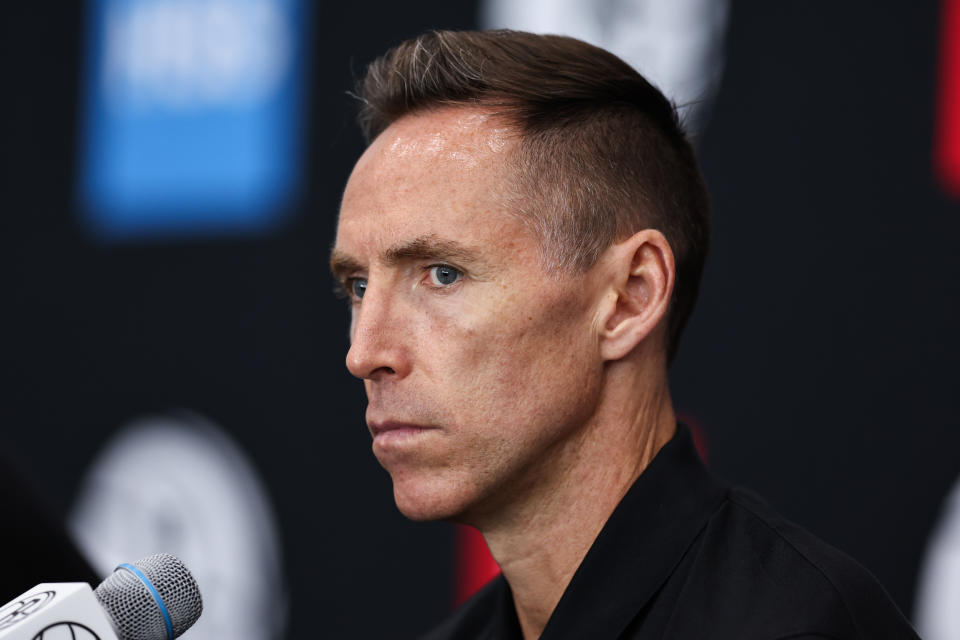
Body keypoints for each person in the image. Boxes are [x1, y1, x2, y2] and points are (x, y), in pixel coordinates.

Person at [330, 29, 919, 640]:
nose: (364, 353)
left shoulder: (800, 627)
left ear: (630, 297)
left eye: (443, 274)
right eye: (357, 287)